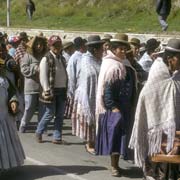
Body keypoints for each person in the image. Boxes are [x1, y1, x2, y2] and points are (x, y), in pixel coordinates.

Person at [129, 38, 180, 180]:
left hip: (176, 132)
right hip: (156, 131)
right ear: (170, 59)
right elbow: (148, 97)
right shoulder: (158, 71)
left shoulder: (178, 74)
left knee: (173, 167)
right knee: (157, 165)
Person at [96, 35, 137, 177]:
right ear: (113, 50)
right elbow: (106, 90)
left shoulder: (125, 65)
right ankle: (114, 166)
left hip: (126, 107)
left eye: (125, 49)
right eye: (121, 49)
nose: (123, 51)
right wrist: (113, 107)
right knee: (115, 136)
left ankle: (118, 163)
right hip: (116, 108)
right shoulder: (111, 65)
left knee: (123, 137)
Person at [74, 35, 104, 154]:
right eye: (101, 49)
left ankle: (95, 141)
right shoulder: (86, 62)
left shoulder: (97, 60)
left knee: (96, 119)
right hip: (87, 94)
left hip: (96, 93)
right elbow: (88, 79)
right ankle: (89, 143)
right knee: (89, 119)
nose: (103, 51)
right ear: (95, 50)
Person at [35, 35, 68, 144]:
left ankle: (57, 137)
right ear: (50, 46)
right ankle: (39, 131)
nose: (57, 47)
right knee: (50, 113)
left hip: (62, 89)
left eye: (58, 44)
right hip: (51, 90)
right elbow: (43, 75)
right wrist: (46, 89)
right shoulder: (46, 58)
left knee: (59, 114)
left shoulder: (62, 58)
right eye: (54, 45)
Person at [0, 52, 25, 172]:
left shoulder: (4, 80)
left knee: (4, 142)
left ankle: (3, 165)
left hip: (3, 117)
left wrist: (13, 101)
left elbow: (12, 92)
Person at [19, 36, 47, 133]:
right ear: (33, 45)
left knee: (42, 108)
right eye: (37, 44)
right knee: (29, 107)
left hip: (42, 87)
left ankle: (40, 128)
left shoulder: (45, 56)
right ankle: (23, 123)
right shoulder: (28, 55)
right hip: (31, 87)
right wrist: (34, 68)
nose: (39, 46)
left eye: (41, 44)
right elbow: (23, 69)